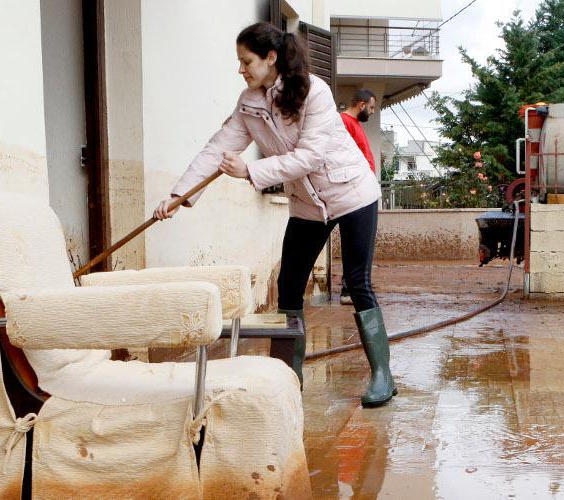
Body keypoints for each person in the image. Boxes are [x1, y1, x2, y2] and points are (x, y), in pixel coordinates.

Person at [154, 22, 396, 407]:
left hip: (351, 194)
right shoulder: (248, 103)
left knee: (357, 281)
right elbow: (218, 148)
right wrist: (178, 194)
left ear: (271, 58)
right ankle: (289, 376)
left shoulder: (313, 91)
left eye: (245, 61)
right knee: (289, 287)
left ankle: (383, 375)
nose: (241, 69)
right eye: (239, 62)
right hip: (306, 204)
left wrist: (251, 171)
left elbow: (310, 156)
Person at [338, 88, 377, 305]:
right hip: (353, 193)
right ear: (361, 105)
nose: (372, 112)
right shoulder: (344, 122)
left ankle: (350, 289)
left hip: (364, 191)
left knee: (359, 248)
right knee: (355, 247)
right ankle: (348, 291)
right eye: (371, 107)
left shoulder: (356, 125)